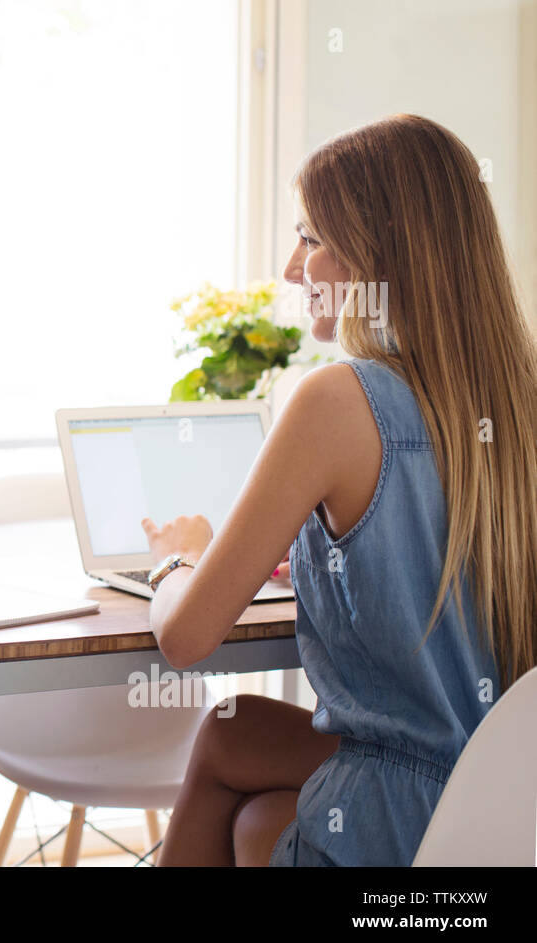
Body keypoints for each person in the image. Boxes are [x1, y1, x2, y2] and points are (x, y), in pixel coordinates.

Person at [139, 114, 532, 866]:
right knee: (231, 734)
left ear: (381, 254)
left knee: (250, 808)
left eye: (311, 238)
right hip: (501, 806)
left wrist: (178, 559)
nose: (292, 268)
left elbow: (185, 638)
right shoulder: (518, 404)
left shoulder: (337, 401)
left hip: (401, 817)